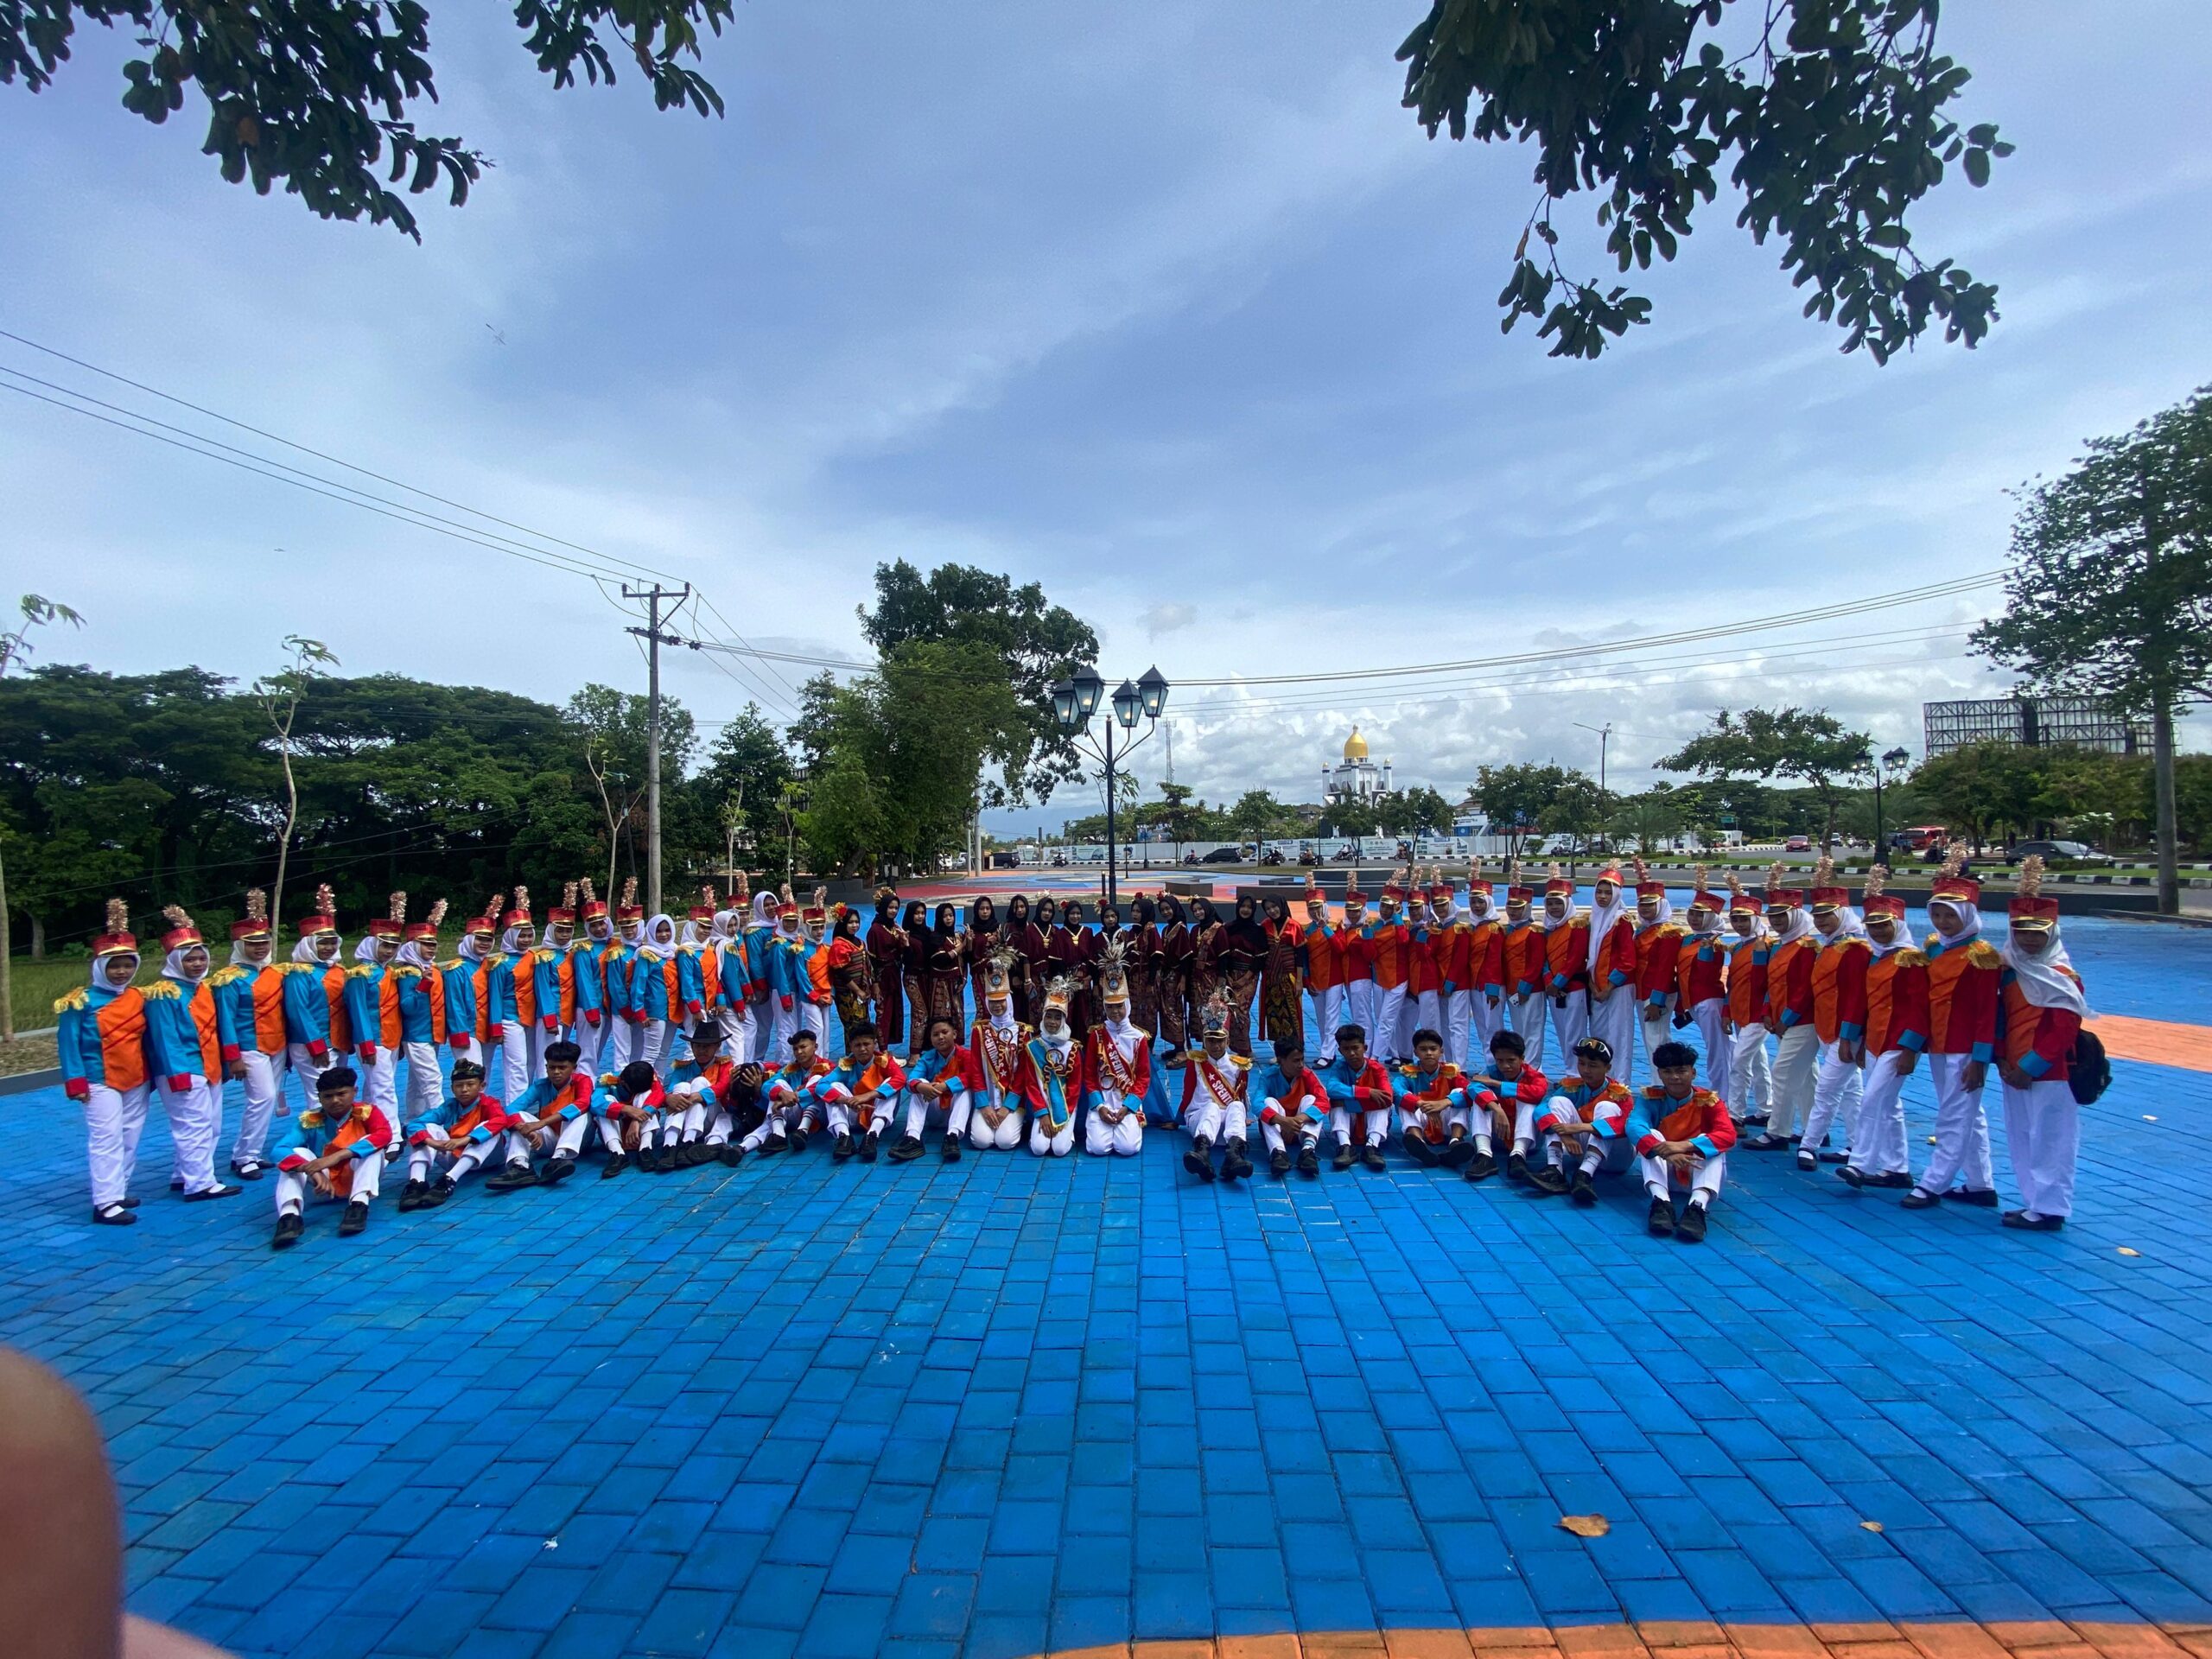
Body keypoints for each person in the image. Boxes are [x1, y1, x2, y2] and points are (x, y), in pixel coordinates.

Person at [1901, 851, 2003, 1211]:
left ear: (1968, 915)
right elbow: (1924, 1001)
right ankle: (1980, 1184)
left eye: (1951, 915)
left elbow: (1987, 1013)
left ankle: (1933, 1183)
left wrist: (1980, 1059)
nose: (1943, 922)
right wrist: (1913, 1044)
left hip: (1964, 1049)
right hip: (1939, 1045)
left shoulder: (1981, 956)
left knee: (1953, 1117)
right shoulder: (1934, 951)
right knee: (1968, 1116)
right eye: (1937, 914)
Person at [1996, 857, 2088, 1231]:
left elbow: (2063, 1031)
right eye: (2022, 932)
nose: (2029, 940)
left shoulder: (2063, 977)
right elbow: (2000, 1019)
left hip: (2050, 1072)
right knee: (2022, 1136)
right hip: (2012, 1068)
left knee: (2052, 1140)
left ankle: (2051, 1209)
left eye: (2038, 933)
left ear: (2052, 933)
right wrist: (2003, 1061)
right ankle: (2033, 1201)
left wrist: (2029, 1067)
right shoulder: (2008, 972)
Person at [58, 899, 155, 1225]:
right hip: (99, 1079)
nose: (121, 971)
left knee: (130, 1136)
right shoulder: (79, 1001)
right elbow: (68, 1043)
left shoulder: (139, 996)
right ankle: (104, 1202)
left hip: (137, 1077)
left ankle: (118, 1190)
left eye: (127, 965)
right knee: (106, 1138)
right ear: (100, 967)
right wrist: (75, 1081)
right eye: (114, 966)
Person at [140, 906, 238, 1203]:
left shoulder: (203, 989)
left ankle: (183, 1175)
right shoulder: (164, 993)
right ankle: (200, 1184)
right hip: (182, 1069)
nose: (197, 964)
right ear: (174, 961)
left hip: (209, 1067)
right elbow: (164, 1039)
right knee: (193, 1126)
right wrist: (178, 1074)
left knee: (211, 1124)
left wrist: (224, 1063)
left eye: (201, 958)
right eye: (190, 959)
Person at [1838, 870, 1924, 1192]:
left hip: (1898, 1042)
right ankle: (1897, 1168)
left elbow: (1919, 1009)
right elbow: (1866, 1003)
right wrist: (1859, 1041)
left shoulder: (1911, 960)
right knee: (1889, 1105)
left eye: (1884, 925)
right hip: (1875, 1040)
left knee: (1873, 1100)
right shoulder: (1876, 959)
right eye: (1872, 926)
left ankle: (1860, 1164)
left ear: (1898, 925)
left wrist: (1910, 1049)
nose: (1877, 931)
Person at [207, 888, 287, 1181]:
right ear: (240, 946)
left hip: (278, 1045)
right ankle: (243, 1157)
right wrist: (233, 1056)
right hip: (249, 1046)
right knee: (262, 1097)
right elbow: (225, 1020)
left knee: (267, 1100)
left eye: (264, 942)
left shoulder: (275, 973)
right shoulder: (230, 978)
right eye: (252, 944)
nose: (260, 948)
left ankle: (250, 1153)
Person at [1796, 862, 1870, 1173]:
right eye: (1817, 915)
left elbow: (1857, 995)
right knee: (1851, 1090)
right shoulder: (1830, 946)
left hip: (1845, 1032)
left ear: (1843, 913)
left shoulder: (1855, 948)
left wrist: (1850, 1036)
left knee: (1827, 1088)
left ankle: (1809, 1145)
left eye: (1828, 915)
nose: (1822, 921)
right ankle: (1857, 1144)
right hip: (1828, 1028)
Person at [270, 1065, 391, 1246]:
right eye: (328, 1096)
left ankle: (358, 1206)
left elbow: (384, 1135)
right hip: (322, 1186)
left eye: (341, 1094)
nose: (335, 1100)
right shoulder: (309, 1120)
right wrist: (310, 1170)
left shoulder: (368, 1112)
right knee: (297, 1154)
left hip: (358, 1177)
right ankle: (289, 1217)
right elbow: (278, 1150)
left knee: (372, 1148)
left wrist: (338, 1156)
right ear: (319, 1098)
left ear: (354, 1091)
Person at [1629, 1040, 1735, 1243]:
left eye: (1681, 1071)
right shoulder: (1650, 1098)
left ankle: (1697, 1207)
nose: (1675, 1077)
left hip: (1697, 1170)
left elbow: (1728, 1134)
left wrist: (1684, 1145)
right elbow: (1634, 1126)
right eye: (1667, 1072)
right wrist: (1667, 1151)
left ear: (1693, 1073)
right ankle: (1661, 1202)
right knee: (1652, 1135)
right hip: (1665, 1170)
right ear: (1660, 1074)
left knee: (1710, 1142)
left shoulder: (1710, 1101)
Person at [1744, 866, 1816, 1151]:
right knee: (1807, 1075)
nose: (1776, 921)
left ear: (1796, 915)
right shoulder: (1779, 946)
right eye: (1772, 916)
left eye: (1782, 916)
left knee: (1783, 1072)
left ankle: (1778, 1132)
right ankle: (1814, 1129)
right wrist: (1767, 1012)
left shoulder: (1807, 947)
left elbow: (1805, 989)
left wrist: (1786, 1018)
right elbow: (1768, 984)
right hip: (1781, 1019)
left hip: (1802, 1020)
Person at [1517, 1035, 1633, 1201]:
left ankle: (1584, 1175)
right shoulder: (1573, 1087)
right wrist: (1564, 1134)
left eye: (1593, 1065)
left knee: (1606, 1107)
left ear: (1608, 1067)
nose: (1586, 1070)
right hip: (1583, 1151)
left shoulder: (1620, 1094)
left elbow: (1627, 1125)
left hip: (1617, 1158)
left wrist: (1582, 1127)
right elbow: (1541, 1109)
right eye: (1581, 1063)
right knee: (1557, 1101)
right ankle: (1554, 1170)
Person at [485, 1039, 597, 1188]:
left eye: (562, 1068)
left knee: (582, 1114)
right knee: (519, 1118)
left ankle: (558, 1159)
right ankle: (520, 1166)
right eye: (552, 1067)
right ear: (546, 1067)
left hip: (578, 1141)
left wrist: (541, 1123)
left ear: (574, 1068)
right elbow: (511, 1108)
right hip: (547, 1140)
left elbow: (583, 1103)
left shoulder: (583, 1081)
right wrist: (526, 1130)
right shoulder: (541, 1085)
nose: (556, 1072)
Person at [278, 885, 350, 1111]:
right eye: (322, 942)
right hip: (312, 1044)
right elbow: (298, 1011)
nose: (329, 947)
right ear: (309, 944)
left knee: (338, 1093)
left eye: (332, 942)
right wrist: (316, 1045)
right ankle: (319, 1132)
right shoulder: (299, 974)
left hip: (337, 1041)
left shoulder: (337, 970)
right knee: (322, 1096)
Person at [397, 1057, 503, 1208]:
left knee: (490, 1129)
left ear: (482, 1086)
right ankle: (417, 1182)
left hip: (488, 1159)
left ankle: (449, 1180)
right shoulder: (450, 1106)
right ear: (452, 1088)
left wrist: (466, 1139)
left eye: (470, 1084)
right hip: (455, 1155)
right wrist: (431, 1142)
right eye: (459, 1085)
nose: (464, 1090)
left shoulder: (489, 1103)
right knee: (428, 1128)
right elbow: (414, 1125)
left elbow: (501, 1120)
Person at [1084, 939, 1154, 1159]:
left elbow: (1143, 1077)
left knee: (1127, 1148)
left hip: (1127, 1100)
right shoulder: (1096, 1035)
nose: (1115, 1012)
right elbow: (1089, 1075)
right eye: (1110, 1007)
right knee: (1098, 1148)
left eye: (1119, 1006)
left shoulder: (1139, 1038)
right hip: (1102, 1100)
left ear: (1127, 1005)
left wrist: (1129, 1106)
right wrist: (1099, 1106)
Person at [1174, 995, 1249, 1180]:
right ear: (1204, 1041)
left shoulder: (1239, 1065)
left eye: (1220, 1041)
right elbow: (1187, 1093)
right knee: (1212, 1107)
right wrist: (1177, 1120)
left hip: (1226, 1129)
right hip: (1200, 1119)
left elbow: (1241, 1096)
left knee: (1237, 1106)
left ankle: (1234, 1156)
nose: (1215, 1046)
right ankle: (1201, 1153)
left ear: (1228, 1042)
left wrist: (1242, 1117)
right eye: (1211, 1041)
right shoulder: (1195, 1062)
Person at [1462, 1027, 1549, 1183]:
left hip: (1529, 1140)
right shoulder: (1490, 1072)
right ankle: (1484, 1155)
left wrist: (1497, 1084)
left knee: (1528, 1100)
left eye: (1511, 1060)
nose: (1505, 1066)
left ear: (1522, 1058)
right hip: (1499, 1134)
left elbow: (1538, 1092)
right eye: (1500, 1061)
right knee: (1481, 1100)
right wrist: (1496, 1108)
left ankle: (1518, 1156)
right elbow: (1472, 1087)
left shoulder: (1535, 1076)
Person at [814, 1021, 910, 1163]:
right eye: (857, 1045)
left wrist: (868, 1095)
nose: (862, 1049)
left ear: (875, 1044)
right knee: (833, 1087)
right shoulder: (846, 1064)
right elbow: (820, 1086)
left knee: (891, 1085)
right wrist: (847, 1100)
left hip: (876, 1113)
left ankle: (872, 1136)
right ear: (851, 1046)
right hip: (854, 1111)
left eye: (866, 1044)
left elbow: (901, 1079)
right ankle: (844, 1137)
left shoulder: (884, 1061)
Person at [964, 949, 1030, 1151]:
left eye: (1001, 1000)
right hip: (987, 1099)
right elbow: (976, 1069)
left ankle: (1017, 1119)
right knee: (981, 1141)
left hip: (1012, 1101)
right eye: (992, 1001)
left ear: (1008, 1000)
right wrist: (983, 1105)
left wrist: (1008, 1106)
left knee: (1005, 1142)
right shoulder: (979, 1031)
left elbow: (1023, 1073)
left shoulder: (1023, 1031)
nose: (997, 1005)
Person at [1721, 874, 1773, 1127]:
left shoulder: (1767, 946)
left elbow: (1769, 983)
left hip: (1757, 1014)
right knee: (1758, 1062)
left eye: (1745, 919)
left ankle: (1735, 1114)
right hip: (1740, 1012)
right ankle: (1766, 1110)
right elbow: (1732, 983)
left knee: (1739, 1062)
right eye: (1736, 919)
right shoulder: (1739, 948)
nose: (1740, 924)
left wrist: (1767, 1011)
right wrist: (1727, 1012)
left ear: (1756, 919)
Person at [1673, 872, 1730, 1093]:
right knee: (1718, 1048)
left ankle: (1722, 1095)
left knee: (1718, 1051)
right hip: (1692, 1002)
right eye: (1692, 913)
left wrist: (1706, 949)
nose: (1694, 919)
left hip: (1709, 1002)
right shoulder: (1689, 939)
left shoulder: (1715, 944)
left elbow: (1707, 975)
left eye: (1701, 915)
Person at [1584, 862, 1638, 1084]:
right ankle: (1601, 1081)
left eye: (1608, 892)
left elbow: (1628, 961)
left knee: (1619, 1034)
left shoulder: (1621, 921)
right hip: (1597, 987)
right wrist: (1593, 986)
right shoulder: (1594, 918)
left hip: (1618, 987)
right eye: (1599, 891)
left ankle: (1620, 1084)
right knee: (1598, 1034)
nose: (1603, 897)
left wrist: (1609, 987)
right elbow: (1589, 959)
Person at [1630, 861, 1684, 1082]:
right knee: (1652, 1039)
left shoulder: (1668, 933)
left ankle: (1662, 1085)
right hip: (1642, 992)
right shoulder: (1643, 931)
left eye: (1650, 905)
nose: (1645, 909)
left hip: (1657, 994)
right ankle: (1662, 1083)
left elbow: (1665, 969)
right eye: (1642, 905)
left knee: (1657, 1041)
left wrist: (1657, 1001)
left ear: (1661, 905)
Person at [893, 1014, 974, 1160]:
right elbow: (909, 1081)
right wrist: (922, 1087)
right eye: (935, 1035)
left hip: (958, 1112)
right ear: (930, 1038)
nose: (940, 1037)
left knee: (966, 1089)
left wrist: (945, 1086)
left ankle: (952, 1137)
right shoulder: (927, 1058)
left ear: (954, 1034)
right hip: (936, 1111)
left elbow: (972, 1076)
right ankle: (913, 1137)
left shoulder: (966, 1055)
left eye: (945, 1032)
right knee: (919, 1083)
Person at [486, 888, 541, 1097]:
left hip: (532, 1017)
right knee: (516, 1063)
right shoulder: (500, 964)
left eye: (529, 935)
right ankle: (515, 1106)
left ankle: (526, 1100)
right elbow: (495, 997)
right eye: (521, 936)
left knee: (532, 1061)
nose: (526, 940)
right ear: (511, 936)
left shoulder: (535, 957)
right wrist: (496, 1027)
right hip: (510, 1019)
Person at [1018, 976, 1082, 1157]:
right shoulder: (1033, 1047)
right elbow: (1031, 1084)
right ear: (1043, 1017)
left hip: (1065, 1105)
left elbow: (1075, 1087)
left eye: (1057, 1018)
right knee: (1038, 1149)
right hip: (1043, 1105)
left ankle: (1068, 1133)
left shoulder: (1073, 1048)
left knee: (1060, 1150)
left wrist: (1062, 1114)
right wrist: (1043, 1114)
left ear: (1064, 1020)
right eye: (1049, 1017)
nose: (1052, 1022)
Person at [1392, 1026, 1471, 1168]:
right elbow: (1395, 1090)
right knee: (1405, 1099)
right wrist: (1420, 1104)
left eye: (1433, 1049)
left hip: (1445, 1120)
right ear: (1415, 1052)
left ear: (1441, 1051)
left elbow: (1470, 1091)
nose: (1429, 1053)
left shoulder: (1452, 1072)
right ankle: (1418, 1142)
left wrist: (1446, 1102)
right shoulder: (1409, 1072)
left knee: (1460, 1092)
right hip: (1422, 1119)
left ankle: (1455, 1141)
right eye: (1423, 1049)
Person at [664, 1021, 741, 1166]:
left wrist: (695, 1096)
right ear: (692, 1047)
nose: (701, 1050)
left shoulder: (725, 1065)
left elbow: (721, 1088)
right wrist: (670, 1098)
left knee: (699, 1083)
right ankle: (670, 1146)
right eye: (697, 1046)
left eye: (706, 1046)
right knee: (681, 1087)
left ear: (717, 1046)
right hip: (684, 1118)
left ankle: (688, 1142)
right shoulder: (682, 1068)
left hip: (712, 1116)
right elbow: (671, 1088)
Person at [1318, 1023, 1393, 1171]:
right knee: (1335, 1104)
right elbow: (1331, 1088)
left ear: (1364, 1048)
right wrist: (1366, 1093)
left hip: (1370, 1119)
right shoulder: (1339, 1067)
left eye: (1355, 1048)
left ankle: (1372, 1147)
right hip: (1351, 1120)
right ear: (1340, 1051)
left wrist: (1349, 1103)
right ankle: (1345, 1147)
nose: (1352, 1053)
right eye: (1346, 1049)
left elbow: (1388, 1098)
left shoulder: (1377, 1069)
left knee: (1382, 1106)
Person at [744, 1028, 831, 1154]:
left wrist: (793, 1096)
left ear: (815, 1047)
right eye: (795, 1049)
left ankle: (802, 1130)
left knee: (818, 1081)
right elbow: (768, 1084)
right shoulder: (790, 1068)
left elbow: (822, 1090)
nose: (799, 1052)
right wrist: (782, 1094)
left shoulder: (828, 1066)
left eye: (803, 1047)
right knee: (779, 1085)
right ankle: (777, 1136)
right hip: (795, 1113)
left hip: (820, 1116)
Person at [1539, 866, 1592, 1068]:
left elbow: (1575, 959)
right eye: (1550, 903)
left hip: (1573, 987)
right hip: (1553, 990)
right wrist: (1549, 981)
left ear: (1568, 903)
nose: (1554, 908)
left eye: (1558, 903)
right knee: (1562, 1031)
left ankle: (1576, 1073)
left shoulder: (1577, 927)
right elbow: (1544, 959)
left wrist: (1558, 982)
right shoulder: (1548, 929)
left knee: (1575, 1033)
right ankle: (1570, 1071)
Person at [440, 896, 499, 1072]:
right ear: (469, 939)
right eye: (480, 939)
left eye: (488, 940)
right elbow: (454, 1005)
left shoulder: (491, 966)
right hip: (467, 1031)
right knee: (471, 1074)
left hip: (487, 1029)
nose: (484, 944)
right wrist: (459, 1034)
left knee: (485, 1073)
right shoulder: (456, 970)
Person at [1254, 1039, 1328, 1176]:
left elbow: (1324, 1101)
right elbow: (1256, 1104)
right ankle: (1278, 1152)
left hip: (1300, 1128)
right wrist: (1282, 1121)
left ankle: (1308, 1150)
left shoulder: (1307, 1075)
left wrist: (1297, 1120)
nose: (1301, 1065)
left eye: (1302, 1059)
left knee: (1311, 1100)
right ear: (1281, 1060)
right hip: (1279, 1128)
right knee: (1268, 1102)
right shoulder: (1268, 1076)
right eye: (1295, 1061)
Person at [1363, 871, 1417, 1063]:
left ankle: (1374, 1057)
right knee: (1382, 1018)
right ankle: (1394, 1054)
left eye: (1390, 907)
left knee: (1387, 1019)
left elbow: (1403, 941)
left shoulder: (1403, 926)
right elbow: (1370, 956)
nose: (1385, 910)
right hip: (1379, 978)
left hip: (1398, 979)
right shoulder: (1373, 926)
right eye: (1383, 906)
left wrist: (1397, 917)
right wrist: (1367, 936)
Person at [1459, 861, 1507, 1069]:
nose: (1476, 906)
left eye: (1480, 902)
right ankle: (1490, 1066)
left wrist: (1493, 988)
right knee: (1482, 1029)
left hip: (1490, 987)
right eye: (1473, 902)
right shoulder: (1473, 928)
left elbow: (1496, 960)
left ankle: (1497, 1067)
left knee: (1493, 1030)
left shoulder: (1494, 929)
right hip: (1475, 985)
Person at [1499, 866, 1547, 1072]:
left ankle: (1533, 1070)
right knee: (1519, 1031)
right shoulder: (1508, 931)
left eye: (1518, 908)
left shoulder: (1534, 931)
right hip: (1512, 989)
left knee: (1533, 1031)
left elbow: (1536, 962)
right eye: (1510, 907)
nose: (1513, 911)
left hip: (1531, 989)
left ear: (1527, 908)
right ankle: (1523, 1068)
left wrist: (1525, 987)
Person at [1300, 882, 1347, 1065]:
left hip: (1334, 978)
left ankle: (1327, 1054)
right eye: (1311, 908)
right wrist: (1306, 980)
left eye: (1318, 907)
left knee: (1331, 1017)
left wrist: (1325, 928)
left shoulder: (1336, 927)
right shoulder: (1306, 931)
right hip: (1315, 979)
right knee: (1321, 1018)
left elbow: (1340, 949)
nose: (1315, 912)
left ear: (1325, 907)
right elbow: (1304, 958)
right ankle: (1327, 1050)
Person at [572, 878, 615, 1076]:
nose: (599, 929)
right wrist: (591, 1011)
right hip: (591, 1008)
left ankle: (588, 1082)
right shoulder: (584, 950)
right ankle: (583, 1085)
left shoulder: (614, 945)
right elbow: (584, 983)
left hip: (608, 1008)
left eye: (601, 923)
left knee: (598, 1049)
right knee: (587, 1052)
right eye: (593, 925)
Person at [597, 1059, 666, 1178]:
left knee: (646, 1095)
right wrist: (625, 1109)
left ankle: (645, 1149)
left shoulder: (649, 1078)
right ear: (623, 1082)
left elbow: (659, 1095)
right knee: (605, 1102)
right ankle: (617, 1153)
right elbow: (595, 1103)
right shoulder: (607, 1080)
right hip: (617, 1131)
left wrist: (637, 1119)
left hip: (639, 1132)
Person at [1258, 893, 1306, 1060]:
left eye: (1274, 906)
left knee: (1292, 1016)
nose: (1272, 911)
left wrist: (1299, 981)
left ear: (1281, 905)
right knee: (1274, 1016)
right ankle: (1280, 1054)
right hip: (1271, 978)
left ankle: (1295, 1052)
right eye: (1268, 908)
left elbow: (1300, 955)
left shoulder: (1294, 926)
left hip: (1289, 977)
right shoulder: (1265, 925)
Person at [867, 887, 909, 1052]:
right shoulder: (875, 930)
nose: (893, 911)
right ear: (883, 907)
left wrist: (904, 942)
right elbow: (872, 960)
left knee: (894, 1011)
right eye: (890, 907)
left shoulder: (894, 927)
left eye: (896, 908)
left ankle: (886, 1046)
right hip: (882, 977)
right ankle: (882, 1049)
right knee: (883, 1012)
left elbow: (901, 953)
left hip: (894, 975)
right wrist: (875, 983)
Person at [826, 903, 874, 1046]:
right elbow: (840, 971)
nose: (854, 925)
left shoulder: (859, 942)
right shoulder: (839, 945)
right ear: (843, 924)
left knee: (864, 1024)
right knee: (853, 1027)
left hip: (861, 992)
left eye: (857, 922)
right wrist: (857, 990)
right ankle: (853, 1055)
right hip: (847, 994)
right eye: (850, 922)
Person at [1154, 893, 1193, 1058]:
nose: (1165, 912)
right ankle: (1177, 1047)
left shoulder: (1181, 929)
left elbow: (1186, 957)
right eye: (1162, 910)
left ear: (1175, 908)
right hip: (1166, 976)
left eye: (1168, 909)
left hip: (1176, 977)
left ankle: (1181, 1051)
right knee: (1166, 1010)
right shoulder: (1167, 929)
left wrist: (1183, 980)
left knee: (1173, 1011)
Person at [926, 900, 969, 1040]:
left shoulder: (958, 936)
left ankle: (957, 1046)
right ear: (939, 918)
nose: (949, 919)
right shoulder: (935, 937)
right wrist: (962, 946)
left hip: (957, 982)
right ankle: (941, 1046)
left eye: (951, 915)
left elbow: (965, 959)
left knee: (958, 1014)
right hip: (941, 983)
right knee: (942, 1016)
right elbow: (942, 959)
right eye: (945, 916)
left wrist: (964, 978)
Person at [1014, 897, 1052, 1032]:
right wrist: (1028, 980)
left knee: (1050, 1011)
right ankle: (1035, 1040)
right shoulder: (1030, 930)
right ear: (1039, 910)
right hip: (1034, 979)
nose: (1047, 913)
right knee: (1035, 1012)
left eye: (1050, 911)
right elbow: (1025, 957)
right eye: (1044, 910)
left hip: (1051, 980)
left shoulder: (1054, 930)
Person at [963, 894, 1002, 1016]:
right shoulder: (971, 931)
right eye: (981, 909)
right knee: (983, 1008)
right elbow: (968, 956)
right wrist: (974, 942)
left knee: (999, 1007)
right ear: (976, 910)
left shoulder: (998, 928)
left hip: (998, 975)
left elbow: (1005, 951)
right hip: (979, 975)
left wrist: (1000, 941)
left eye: (988, 908)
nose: (985, 912)